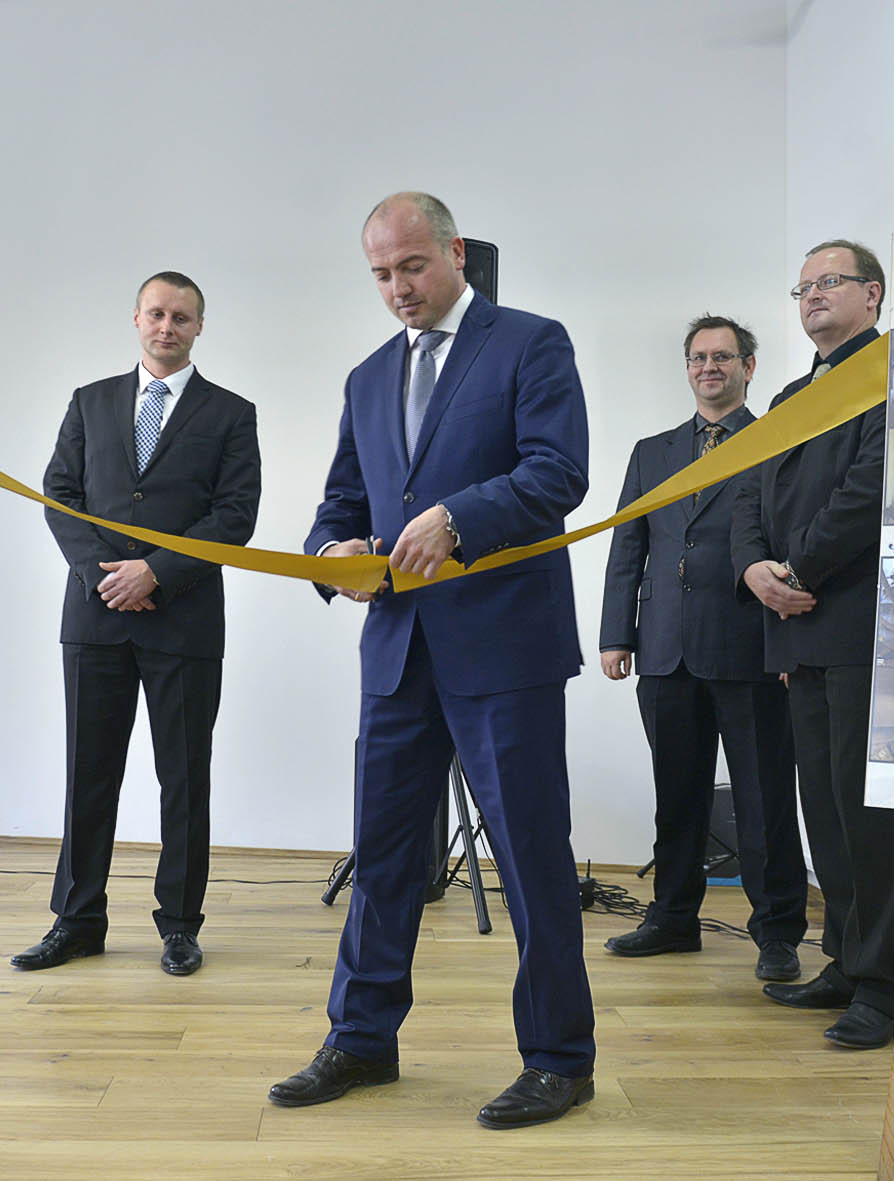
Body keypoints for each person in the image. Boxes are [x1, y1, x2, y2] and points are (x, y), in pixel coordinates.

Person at [269, 192, 595, 1129]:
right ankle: (361, 1038)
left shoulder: (531, 342)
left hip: (504, 647)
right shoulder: (368, 376)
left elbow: (557, 473)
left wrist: (459, 518)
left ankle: (559, 1058)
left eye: (411, 266)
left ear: (454, 252)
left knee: (529, 855)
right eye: (380, 274)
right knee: (381, 853)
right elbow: (340, 504)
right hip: (396, 650)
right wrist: (330, 554)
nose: (397, 288)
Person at [11, 271, 261, 978]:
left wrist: (155, 572)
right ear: (136, 318)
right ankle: (77, 920)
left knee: (183, 778)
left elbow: (234, 517)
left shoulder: (231, 413)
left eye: (181, 317)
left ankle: (179, 924)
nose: (167, 327)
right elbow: (59, 495)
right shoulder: (89, 402)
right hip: (95, 618)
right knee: (87, 774)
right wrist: (105, 576)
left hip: (184, 621)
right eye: (157, 313)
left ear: (200, 326)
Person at [729, 240, 894, 1050]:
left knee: (869, 814)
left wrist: (796, 568)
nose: (811, 295)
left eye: (829, 282)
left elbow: (870, 489)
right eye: (802, 286)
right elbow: (747, 491)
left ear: (872, 294)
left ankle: (885, 985)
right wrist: (754, 571)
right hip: (795, 629)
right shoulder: (788, 397)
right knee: (826, 810)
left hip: (863, 625)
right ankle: (845, 958)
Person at [599, 314, 808, 982]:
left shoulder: (777, 442)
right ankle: (672, 918)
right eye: (698, 357)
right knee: (676, 795)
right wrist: (616, 634)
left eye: (722, 356)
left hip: (751, 648)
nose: (708, 367)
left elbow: (790, 542)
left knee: (764, 798)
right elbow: (628, 545)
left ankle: (777, 932)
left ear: (749, 367)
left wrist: (789, 645)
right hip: (665, 649)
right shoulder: (651, 453)